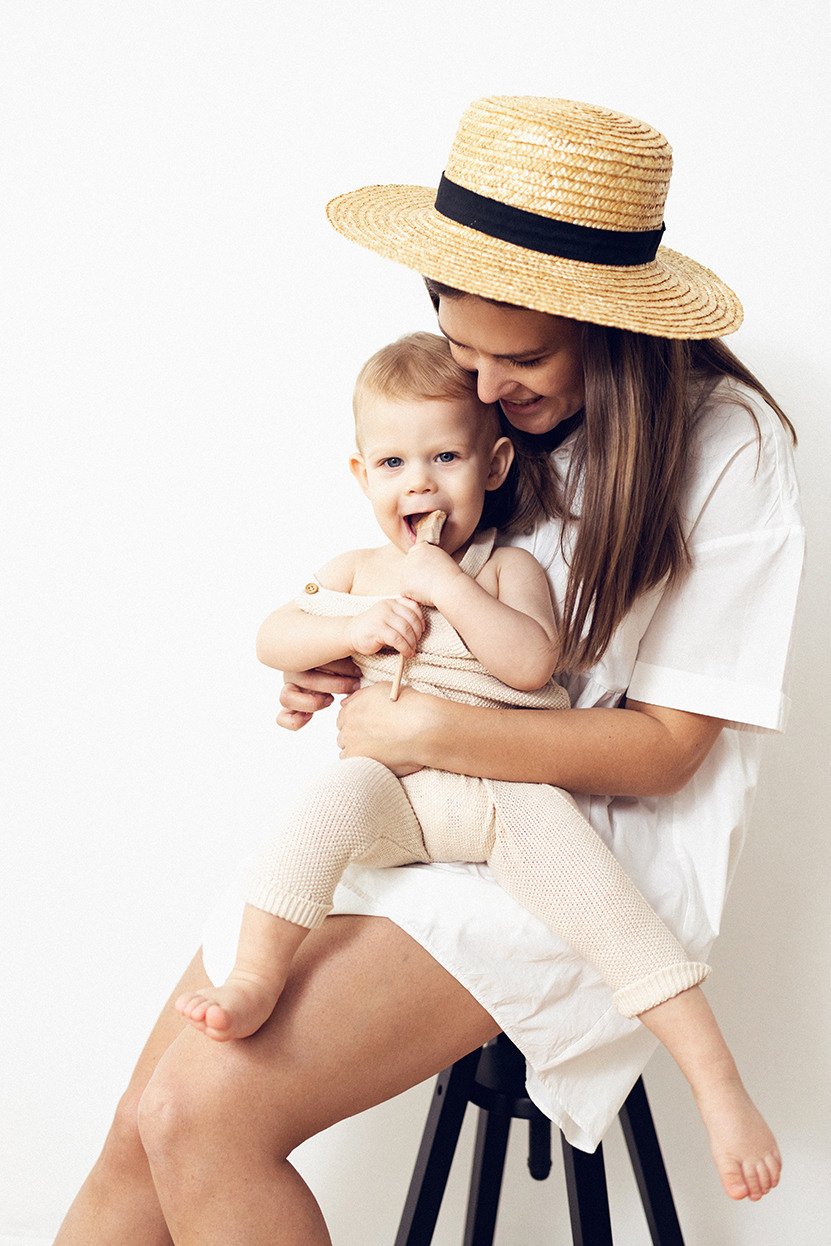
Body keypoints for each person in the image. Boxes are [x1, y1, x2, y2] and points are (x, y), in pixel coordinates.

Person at [55, 96, 803, 1244]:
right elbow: (403, 597)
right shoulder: (488, 427)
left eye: (524, 358)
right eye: (465, 348)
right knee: (139, 1126)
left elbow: (663, 750)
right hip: (403, 810)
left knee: (200, 1112)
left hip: (575, 851)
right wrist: (352, 667)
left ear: (617, 330)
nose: (489, 386)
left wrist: (427, 731)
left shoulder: (728, 450)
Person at [175, 330, 710, 1046]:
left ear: (492, 467)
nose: (419, 483)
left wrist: (449, 586)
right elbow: (273, 635)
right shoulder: (358, 572)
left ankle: (706, 1065)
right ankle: (256, 975)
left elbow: (528, 664)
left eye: (444, 458)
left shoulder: (502, 569)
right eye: (394, 463)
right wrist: (350, 629)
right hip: (394, 797)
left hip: (499, 793)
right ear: (362, 475)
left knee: (596, 893)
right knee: (323, 805)